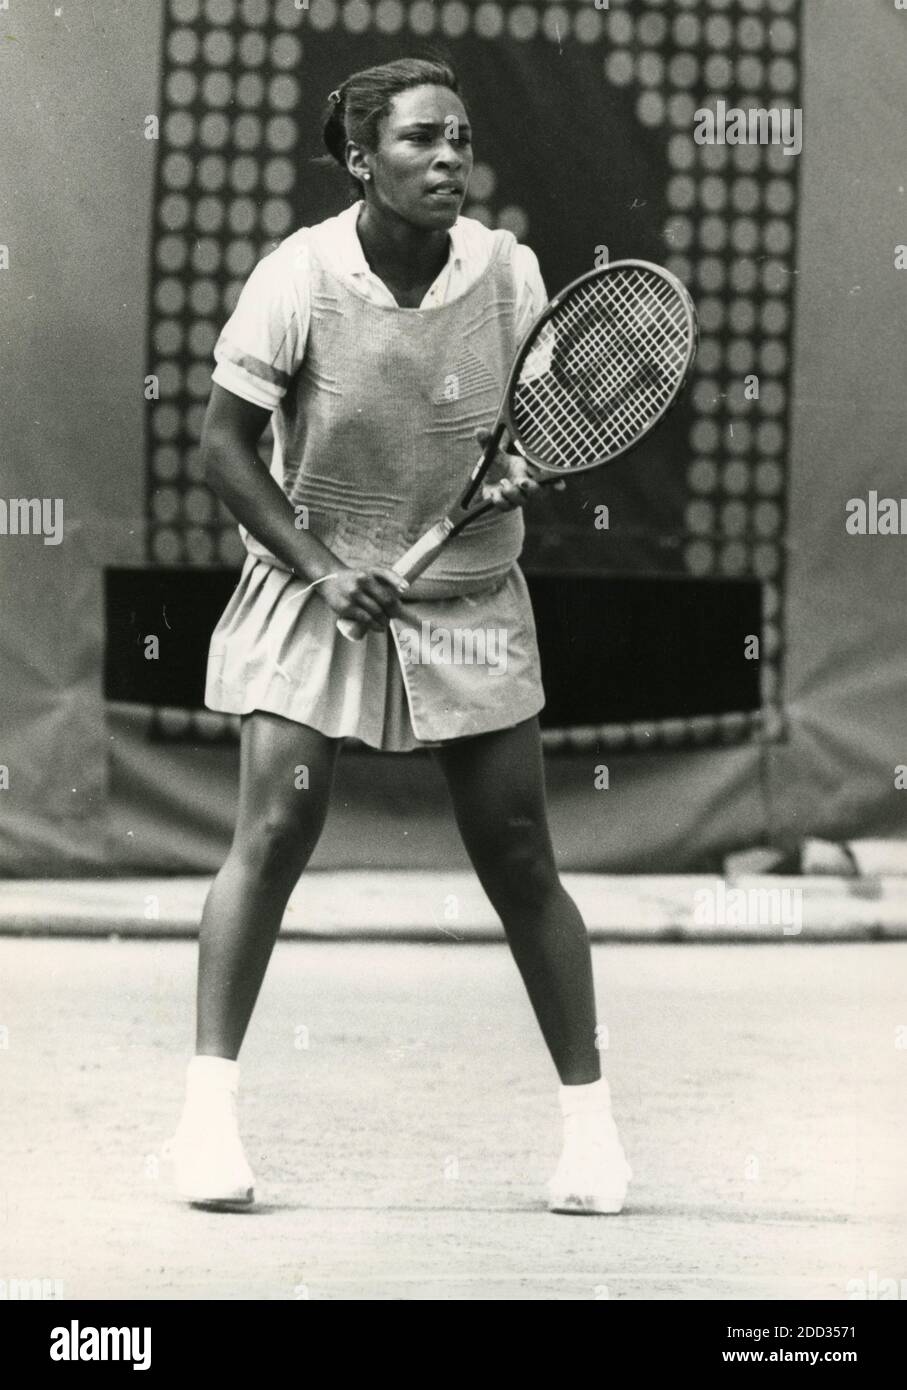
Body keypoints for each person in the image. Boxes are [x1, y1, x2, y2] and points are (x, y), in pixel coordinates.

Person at [170, 56, 631, 1216]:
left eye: (460, 138)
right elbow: (225, 449)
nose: (448, 158)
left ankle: (592, 1138)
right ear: (360, 159)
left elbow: (539, 422)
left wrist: (518, 471)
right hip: (312, 580)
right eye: (422, 139)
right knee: (275, 826)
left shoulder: (511, 274)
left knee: (519, 854)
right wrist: (326, 572)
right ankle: (204, 1126)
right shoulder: (298, 277)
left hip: (467, 592)